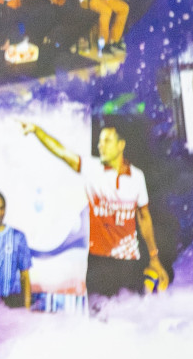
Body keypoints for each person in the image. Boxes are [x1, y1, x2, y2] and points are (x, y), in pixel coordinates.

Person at [21, 120, 168, 298]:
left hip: (129, 262)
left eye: (107, 141)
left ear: (121, 145)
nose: (101, 146)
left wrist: (154, 258)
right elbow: (61, 152)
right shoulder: (92, 169)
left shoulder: (137, 176)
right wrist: (37, 131)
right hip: (99, 263)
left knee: (129, 317)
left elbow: (144, 217)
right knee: (99, 320)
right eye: (99, 141)